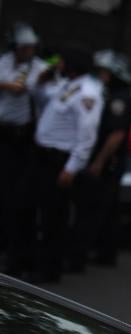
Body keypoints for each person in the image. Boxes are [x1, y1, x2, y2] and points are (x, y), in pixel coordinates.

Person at [23, 47, 104, 282]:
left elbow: (87, 135)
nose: (58, 65)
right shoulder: (67, 85)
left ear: (72, 66)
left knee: (53, 218)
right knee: (31, 208)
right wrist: (41, 81)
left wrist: (71, 168)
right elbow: (43, 99)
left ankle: (48, 269)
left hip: (59, 161)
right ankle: (31, 262)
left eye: (63, 62)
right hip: (43, 155)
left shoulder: (88, 93)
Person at [68, 50, 131, 271]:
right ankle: (102, 252)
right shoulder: (111, 94)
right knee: (104, 209)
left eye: (105, 72)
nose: (101, 76)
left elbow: (116, 135)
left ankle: (80, 257)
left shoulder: (120, 98)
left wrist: (99, 162)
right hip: (107, 163)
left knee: (93, 209)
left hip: (108, 164)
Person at [0, 23, 48, 270]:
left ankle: (15, 250)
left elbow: (40, 91)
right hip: (3, 131)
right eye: (23, 48)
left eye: (30, 48)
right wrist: (10, 85)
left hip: (23, 138)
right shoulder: (6, 62)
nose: (27, 52)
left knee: (15, 196)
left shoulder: (40, 69)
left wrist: (30, 84)